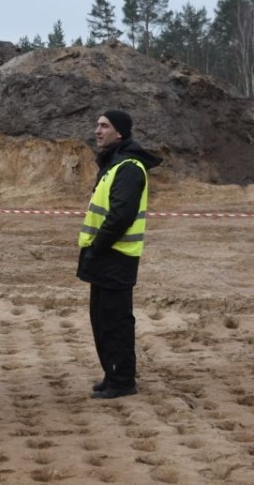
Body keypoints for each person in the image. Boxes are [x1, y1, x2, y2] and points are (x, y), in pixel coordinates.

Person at [77, 109, 163, 399]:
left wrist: (97, 247)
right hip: (105, 256)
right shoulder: (114, 164)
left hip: (115, 256)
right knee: (102, 320)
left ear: (121, 133)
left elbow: (121, 216)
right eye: (97, 124)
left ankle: (122, 379)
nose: (98, 130)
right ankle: (111, 374)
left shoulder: (128, 167)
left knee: (115, 321)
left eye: (105, 126)